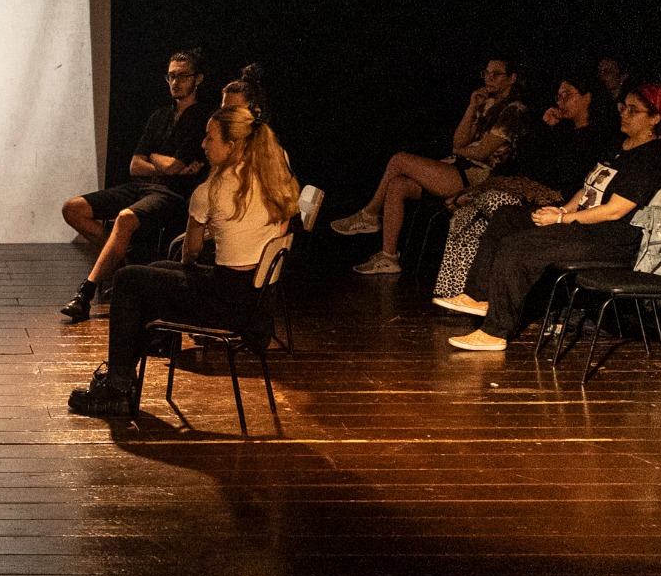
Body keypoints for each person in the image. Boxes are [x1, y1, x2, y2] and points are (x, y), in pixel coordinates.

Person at [70, 105, 301, 417]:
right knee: (152, 272)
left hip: (226, 305)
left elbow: (189, 253)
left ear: (231, 146)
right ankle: (123, 373)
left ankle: (117, 387)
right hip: (255, 302)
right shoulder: (274, 182)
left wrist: (195, 256)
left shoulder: (212, 190)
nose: (203, 144)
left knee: (128, 279)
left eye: (210, 138)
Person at [440, 83, 661, 352]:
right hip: (582, 225)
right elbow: (588, 188)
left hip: (608, 239)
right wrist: (563, 210)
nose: (624, 113)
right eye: (624, 107)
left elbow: (615, 210)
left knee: (518, 245)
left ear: (655, 119)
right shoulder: (619, 146)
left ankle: (494, 332)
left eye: (634, 111)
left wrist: (561, 220)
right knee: (508, 218)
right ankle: (479, 297)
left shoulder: (649, 159)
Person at [329, 57, 529, 274]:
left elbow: (481, 152)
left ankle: (369, 215)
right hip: (459, 166)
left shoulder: (514, 110)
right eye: (486, 73)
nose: (489, 78)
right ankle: (388, 257)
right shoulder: (486, 103)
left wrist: (459, 151)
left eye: (496, 74)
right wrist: (472, 107)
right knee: (397, 185)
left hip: (480, 176)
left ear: (512, 78)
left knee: (399, 160)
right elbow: (459, 141)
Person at [428, 68, 605, 303]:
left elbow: (572, 179)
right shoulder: (561, 130)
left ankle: (481, 296)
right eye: (559, 96)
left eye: (568, 95)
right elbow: (526, 163)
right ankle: (456, 291)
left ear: (587, 97)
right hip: (531, 192)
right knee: (466, 217)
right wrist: (545, 128)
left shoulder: (598, 136)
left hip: (555, 201)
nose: (560, 101)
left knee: (496, 205)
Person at [61, 49, 210, 322]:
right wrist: (163, 164)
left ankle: (85, 292)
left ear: (198, 79)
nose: (175, 82)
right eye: (171, 76)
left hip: (173, 194)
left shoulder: (202, 119)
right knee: (73, 208)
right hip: (141, 186)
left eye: (183, 76)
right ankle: (126, 258)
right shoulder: (160, 116)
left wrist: (155, 158)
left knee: (125, 218)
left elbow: (173, 167)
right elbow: (135, 166)